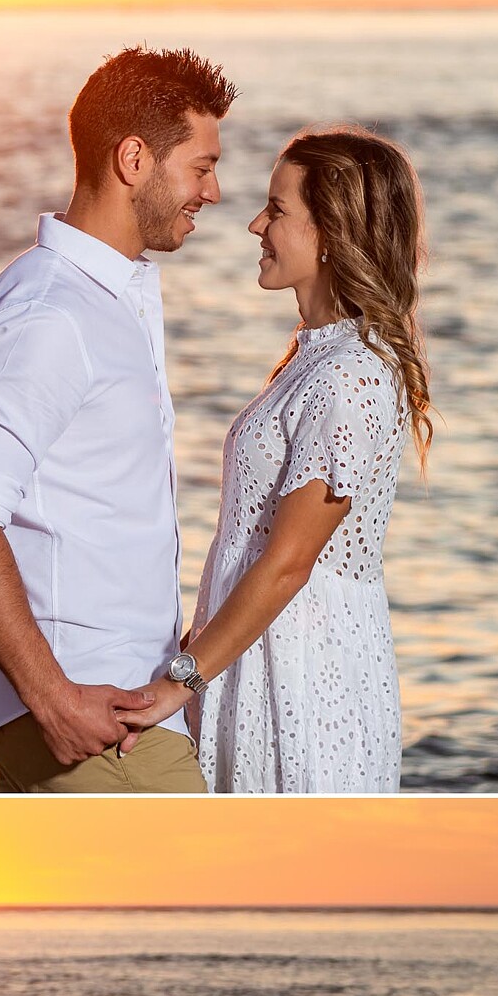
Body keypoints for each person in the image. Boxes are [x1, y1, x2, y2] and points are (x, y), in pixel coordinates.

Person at [0, 48, 235, 794]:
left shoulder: (105, 299)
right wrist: (51, 697)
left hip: (115, 707)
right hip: (97, 716)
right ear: (134, 159)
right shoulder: (49, 313)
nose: (213, 192)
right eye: (200, 167)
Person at [118, 128, 434, 793]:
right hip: (259, 654)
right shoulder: (317, 357)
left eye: (277, 209)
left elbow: (290, 560)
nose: (255, 224)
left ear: (330, 231)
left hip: (305, 674)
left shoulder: (352, 375)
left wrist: (180, 679)